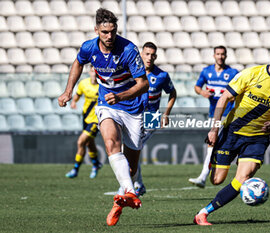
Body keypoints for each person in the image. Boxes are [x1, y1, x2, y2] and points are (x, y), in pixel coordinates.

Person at [58, 8, 149, 226]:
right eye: (105, 32)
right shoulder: (89, 47)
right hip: (106, 105)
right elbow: (78, 63)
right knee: (110, 143)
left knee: (132, 167)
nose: (110, 37)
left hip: (132, 107)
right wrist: (68, 90)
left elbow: (143, 84)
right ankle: (129, 191)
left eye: (113, 32)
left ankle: (121, 201)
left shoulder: (128, 49)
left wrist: (120, 95)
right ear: (97, 30)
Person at [193, 36, 270, 225]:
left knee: (243, 178)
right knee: (217, 180)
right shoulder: (251, 74)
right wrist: (214, 130)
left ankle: (203, 213)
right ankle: (215, 163)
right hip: (232, 132)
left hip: (257, 139)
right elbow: (224, 99)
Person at [117, 41, 177, 196]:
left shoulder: (162, 75)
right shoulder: (131, 72)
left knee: (131, 148)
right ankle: (138, 184)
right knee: (131, 149)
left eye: (152, 54)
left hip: (151, 117)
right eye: (147, 54)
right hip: (134, 114)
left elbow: (172, 93)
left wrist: (166, 114)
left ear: (156, 56)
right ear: (141, 54)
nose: (149, 57)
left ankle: (128, 186)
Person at [189, 46, 239, 188]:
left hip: (228, 115)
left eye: (223, 54)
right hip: (214, 114)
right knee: (213, 144)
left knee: (212, 144)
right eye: (218, 54)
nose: (220, 57)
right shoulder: (207, 72)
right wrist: (202, 92)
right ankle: (205, 175)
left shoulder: (233, 73)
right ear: (214, 55)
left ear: (226, 56)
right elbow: (197, 87)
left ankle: (204, 176)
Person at [65, 66, 102, 179]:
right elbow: (78, 94)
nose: (94, 74)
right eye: (92, 71)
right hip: (86, 118)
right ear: (89, 72)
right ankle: (96, 164)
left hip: (96, 120)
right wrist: (73, 102)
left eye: (96, 71)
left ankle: (76, 169)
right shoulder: (83, 83)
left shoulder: (102, 86)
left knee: (81, 141)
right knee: (89, 143)